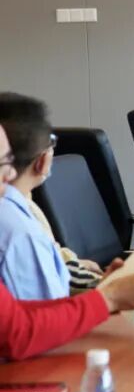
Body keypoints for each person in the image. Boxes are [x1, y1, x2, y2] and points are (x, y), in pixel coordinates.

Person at [0, 122, 134, 361]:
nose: (11, 174)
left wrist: (102, 296)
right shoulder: (15, 226)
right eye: (3, 163)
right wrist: (107, 299)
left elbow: (15, 317)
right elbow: (17, 334)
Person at [0, 93, 110, 293]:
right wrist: (110, 292)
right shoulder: (20, 230)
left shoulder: (23, 208)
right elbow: (50, 305)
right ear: (42, 161)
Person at [0, 95, 70, 300]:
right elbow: (51, 312)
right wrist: (108, 298)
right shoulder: (20, 231)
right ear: (42, 160)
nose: (11, 172)